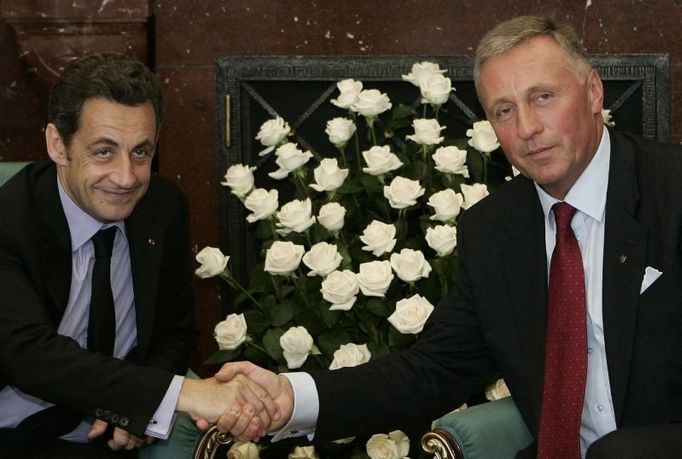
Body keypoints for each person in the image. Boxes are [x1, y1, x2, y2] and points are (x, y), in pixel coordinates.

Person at [207, 15, 682, 458]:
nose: (528, 129)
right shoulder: (494, 229)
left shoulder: (672, 191)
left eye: (543, 97)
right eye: (504, 110)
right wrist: (291, 395)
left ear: (594, 91)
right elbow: (433, 370)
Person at [0, 53, 277, 459]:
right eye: (104, 152)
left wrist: (134, 407)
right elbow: (30, 356)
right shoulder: (10, 222)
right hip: (18, 435)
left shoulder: (162, 207)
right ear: (58, 144)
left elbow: (176, 332)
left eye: (141, 153)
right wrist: (177, 394)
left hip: (116, 436)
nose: (127, 178)